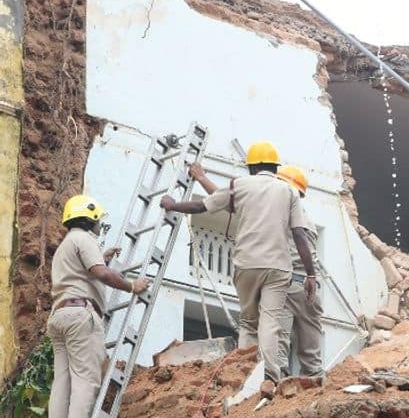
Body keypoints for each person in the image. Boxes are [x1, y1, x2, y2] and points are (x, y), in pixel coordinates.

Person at [160, 141, 315, 387]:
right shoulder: (289, 193)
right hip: (278, 268)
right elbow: (299, 235)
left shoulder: (239, 186)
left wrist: (173, 205)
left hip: (247, 264)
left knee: (248, 322)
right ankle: (270, 378)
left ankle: (245, 374)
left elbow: (203, 205)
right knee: (270, 323)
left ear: (252, 167)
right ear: (275, 167)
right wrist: (311, 275)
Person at [48, 195, 150, 418]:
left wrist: (101, 257)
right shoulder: (84, 238)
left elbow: (80, 272)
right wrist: (132, 285)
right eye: (98, 220)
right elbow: (101, 273)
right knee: (86, 380)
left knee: (62, 381)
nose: (99, 224)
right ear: (89, 218)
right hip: (80, 316)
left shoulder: (66, 245)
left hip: (60, 316)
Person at [275, 165, 324, 378]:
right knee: (312, 358)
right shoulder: (307, 218)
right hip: (310, 289)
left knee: (277, 355)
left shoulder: (283, 212)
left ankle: (274, 397)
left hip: (288, 285)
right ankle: (313, 392)